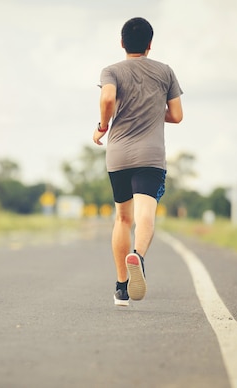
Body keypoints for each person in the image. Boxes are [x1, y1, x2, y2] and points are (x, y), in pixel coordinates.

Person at [93, 17, 183, 306]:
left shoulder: (112, 71)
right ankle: (138, 257)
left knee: (122, 217)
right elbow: (177, 115)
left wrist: (103, 125)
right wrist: (155, 112)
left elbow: (108, 98)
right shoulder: (165, 72)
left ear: (122, 43)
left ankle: (121, 287)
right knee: (146, 213)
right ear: (149, 44)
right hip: (150, 155)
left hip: (118, 153)